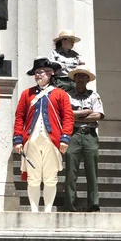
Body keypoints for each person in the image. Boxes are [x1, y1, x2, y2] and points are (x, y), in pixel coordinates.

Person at [13, 57, 74, 212]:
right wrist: (18, 139)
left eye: (41, 72)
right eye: (36, 73)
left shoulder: (60, 94)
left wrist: (65, 137)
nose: (38, 75)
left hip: (52, 141)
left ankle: (47, 210)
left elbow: (68, 117)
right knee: (33, 178)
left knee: (50, 178)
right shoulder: (27, 94)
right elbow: (19, 117)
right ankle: (34, 210)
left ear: (50, 73)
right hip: (31, 140)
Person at [64, 65, 105, 213]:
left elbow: (98, 115)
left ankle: (93, 205)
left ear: (88, 79)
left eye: (84, 76)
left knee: (92, 172)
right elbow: (65, 115)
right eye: (78, 76)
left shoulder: (94, 95)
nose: (81, 78)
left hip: (90, 135)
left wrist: (77, 114)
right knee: (70, 172)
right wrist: (87, 113)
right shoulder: (67, 95)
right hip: (73, 135)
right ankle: (69, 205)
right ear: (74, 78)